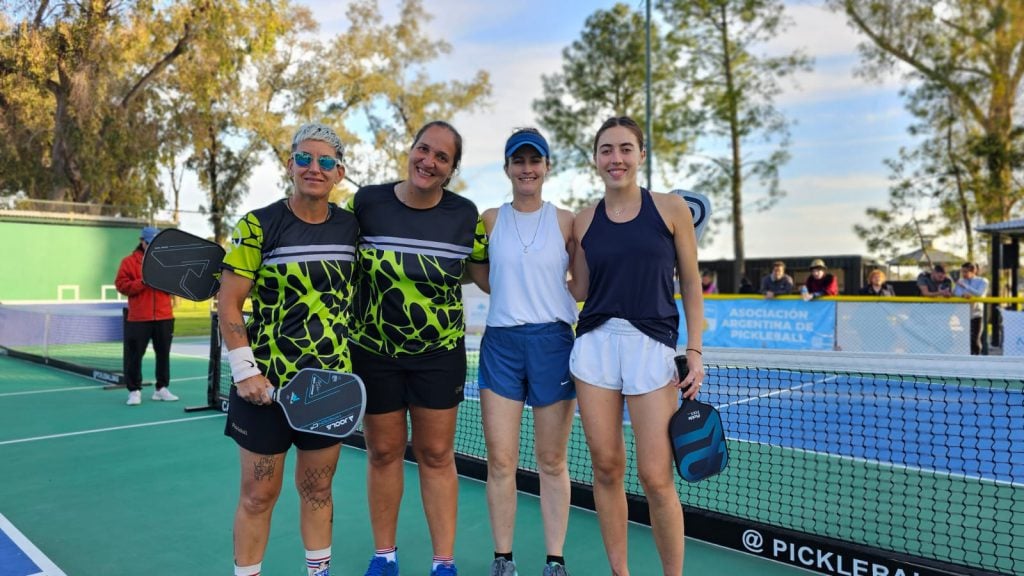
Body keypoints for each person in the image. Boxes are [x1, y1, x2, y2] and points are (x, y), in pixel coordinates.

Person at [218, 123, 359, 576]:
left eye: (324, 162)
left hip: (329, 388)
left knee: (317, 491)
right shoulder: (258, 225)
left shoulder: (353, 228)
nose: (312, 168)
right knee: (258, 495)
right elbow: (229, 301)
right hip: (264, 387)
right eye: (303, 158)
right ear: (289, 165)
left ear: (339, 173)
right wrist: (244, 371)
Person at [348, 120, 486, 576]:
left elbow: (487, 274)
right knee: (384, 453)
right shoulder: (368, 202)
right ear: (410, 151)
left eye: (442, 157)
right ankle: (384, 556)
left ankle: (442, 563)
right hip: (373, 352)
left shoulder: (465, 215)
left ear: (451, 170)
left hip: (438, 355)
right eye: (423, 149)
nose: (428, 161)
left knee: (436, 455)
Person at [570, 116, 704, 576]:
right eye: (606, 150)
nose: (616, 158)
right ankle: (620, 573)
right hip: (595, 348)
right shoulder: (584, 221)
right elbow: (580, 286)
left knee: (656, 477)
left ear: (641, 155)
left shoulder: (671, 210)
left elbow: (690, 281)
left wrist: (697, 349)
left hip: (654, 348)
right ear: (595, 159)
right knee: (606, 470)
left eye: (625, 149)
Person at [472, 129, 577, 576]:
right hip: (501, 344)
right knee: (501, 461)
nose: (527, 168)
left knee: (552, 460)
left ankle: (554, 560)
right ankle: (504, 559)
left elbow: (588, 278)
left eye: (536, 161)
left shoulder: (568, 221)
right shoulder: (490, 219)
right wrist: (512, 297)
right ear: (507, 168)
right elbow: (479, 269)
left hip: (553, 343)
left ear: (547, 167)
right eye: (519, 161)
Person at [115, 226, 177, 406]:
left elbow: (175, 285)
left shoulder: (166, 261)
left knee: (163, 354)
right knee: (134, 356)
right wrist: (142, 282)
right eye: (149, 243)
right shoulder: (128, 262)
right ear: (142, 241)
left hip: (164, 316)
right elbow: (121, 285)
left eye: (155, 243)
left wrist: (165, 281)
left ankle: (161, 389)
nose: (151, 246)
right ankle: (134, 391)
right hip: (138, 318)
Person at [954, 262, 990, 355]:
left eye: (965, 272)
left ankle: (977, 358)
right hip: (963, 313)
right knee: (964, 338)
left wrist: (965, 287)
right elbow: (956, 293)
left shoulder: (983, 281)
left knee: (975, 338)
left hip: (976, 314)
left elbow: (979, 293)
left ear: (973, 271)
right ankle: (967, 358)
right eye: (962, 272)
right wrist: (963, 294)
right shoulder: (961, 281)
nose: (963, 274)